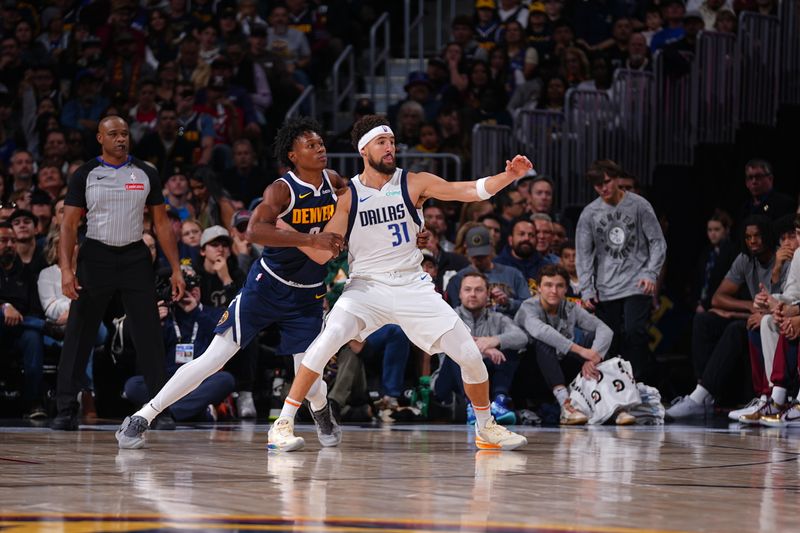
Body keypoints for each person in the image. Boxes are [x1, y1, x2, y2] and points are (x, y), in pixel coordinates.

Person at [267, 114, 532, 452]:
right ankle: (283, 423)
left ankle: (485, 427)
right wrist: (292, 236)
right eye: (382, 142)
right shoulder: (348, 195)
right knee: (325, 341)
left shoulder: (414, 182)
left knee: (469, 355)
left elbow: (465, 190)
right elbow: (322, 255)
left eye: (392, 142)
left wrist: (507, 176)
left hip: (412, 285)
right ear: (365, 150)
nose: (390, 148)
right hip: (366, 287)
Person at [115, 117, 346, 449]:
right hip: (267, 285)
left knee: (309, 376)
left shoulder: (333, 180)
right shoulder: (281, 189)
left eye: (321, 143)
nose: (320, 148)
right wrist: (310, 240)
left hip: (307, 293)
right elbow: (252, 232)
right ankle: (143, 416)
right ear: (293, 155)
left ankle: (321, 410)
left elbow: (353, 201)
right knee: (213, 359)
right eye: (311, 145)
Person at [52, 115, 186, 431]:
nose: (121, 139)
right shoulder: (84, 174)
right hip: (95, 254)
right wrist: (66, 270)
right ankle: (66, 407)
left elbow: (162, 224)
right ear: (100, 138)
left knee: (149, 333)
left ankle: (158, 409)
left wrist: (177, 269)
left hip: (135, 256)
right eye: (113, 134)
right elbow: (68, 225)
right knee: (79, 332)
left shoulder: (146, 172)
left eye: (124, 133)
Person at [576, 160, 667, 381]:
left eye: (607, 182)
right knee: (611, 338)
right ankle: (615, 388)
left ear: (616, 179)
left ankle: (636, 382)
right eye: (598, 185)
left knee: (635, 332)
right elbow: (583, 254)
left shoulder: (639, 205)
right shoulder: (590, 213)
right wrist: (586, 289)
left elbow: (657, 242)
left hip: (637, 282)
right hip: (606, 286)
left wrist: (650, 272)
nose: (604, 188)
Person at [516, 264, 621, 425]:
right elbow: (541, 332)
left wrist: (594, 357)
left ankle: (609, 403)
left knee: (594, 339)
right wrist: (581, 351)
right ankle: (567, 406)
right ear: (538, 288)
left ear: (566, 289)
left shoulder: (570, 307)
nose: (554, 291)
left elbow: (605, 329)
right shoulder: (528, 307)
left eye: (559, 286)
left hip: (558, 367)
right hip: (529, 371)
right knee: (544, 341)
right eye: (548, 285)